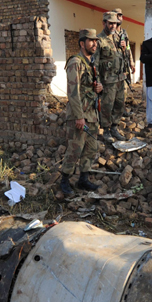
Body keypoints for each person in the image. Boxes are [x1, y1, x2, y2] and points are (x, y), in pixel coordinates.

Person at [59, 29, 104, 196]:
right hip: (80, 114)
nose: (94, 44)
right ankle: (64, 181)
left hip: (92, 114)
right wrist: (79, 116)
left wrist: (100, 88)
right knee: (75, 148)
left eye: (96, 41)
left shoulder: (91, 62)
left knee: (91, 148)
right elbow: (73, 92)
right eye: (91, 41)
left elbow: (93, 85)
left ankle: (83, 179)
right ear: (82, 43)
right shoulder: (75, 62)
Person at [96, 11, 126, 143]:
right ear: (104, 23)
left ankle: (114, 127)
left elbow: (120, 57)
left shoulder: (118, 38)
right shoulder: (99, 40)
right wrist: (97, 82)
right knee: (107, 106)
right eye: (110, 23)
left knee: (119, 104)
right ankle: (106, 130)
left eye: (115, 23)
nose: (113, 25)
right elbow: (95, 63)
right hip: (107, 80)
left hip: (119, 79)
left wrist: (124, 49)